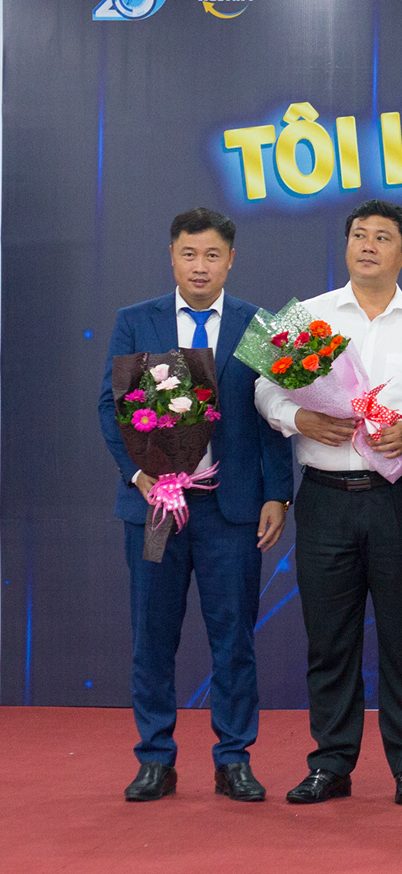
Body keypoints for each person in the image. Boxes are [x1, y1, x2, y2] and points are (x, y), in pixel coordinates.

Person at [254, 199, 402, 806]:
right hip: (324, 499)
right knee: (330, 638)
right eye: (358, 235)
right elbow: (265, 388)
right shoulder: (310, 316)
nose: (367, 245)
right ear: (346, 245)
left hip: (398, 498)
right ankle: (331, 763)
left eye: (382, 237)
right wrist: (297, 417)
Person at [98, 207, 293, 803]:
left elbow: (272, 415)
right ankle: (155, 757)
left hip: (229, 509)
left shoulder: (259, 325)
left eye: (212, 255)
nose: (200, 266)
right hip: (156, 507)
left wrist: (278, 493)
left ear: (230, 260)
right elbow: (111, 406)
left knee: (233, 638)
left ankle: (234, 758)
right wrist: (139, 475)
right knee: (152, 635)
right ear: (172, 256)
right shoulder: (136, 321)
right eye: (189, 254)